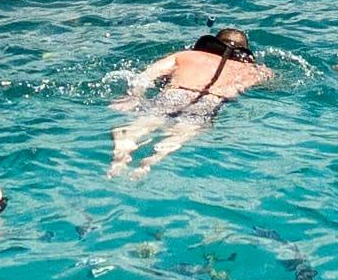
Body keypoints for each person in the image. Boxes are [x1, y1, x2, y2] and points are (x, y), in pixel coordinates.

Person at [111, 29, 269, 176]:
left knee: (145, 123)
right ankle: (149, 162)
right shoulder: (253, 70)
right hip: (210, 101)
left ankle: (122, 153)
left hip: (175, 93)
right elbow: (270, 83)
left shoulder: (185, 56)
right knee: (180, 134)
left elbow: (145, 77)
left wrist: (133, 96)